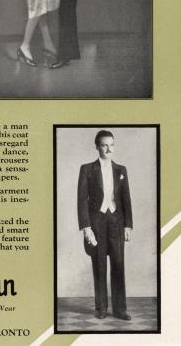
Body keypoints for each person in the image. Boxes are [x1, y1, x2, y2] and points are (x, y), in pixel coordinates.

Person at [77, 130, 133, 320]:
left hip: (116, 221)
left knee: (118, 264)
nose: (109, 149)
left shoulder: (121, 170)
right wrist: (86, 228)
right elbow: (82, 200)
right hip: (97, 222)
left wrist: (128, 226)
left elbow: (126, 199)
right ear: (97, 147)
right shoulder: (86, 169)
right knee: (99, 264)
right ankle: (101, 308)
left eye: (112, 145)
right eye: (104, 145)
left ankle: (120, 309)